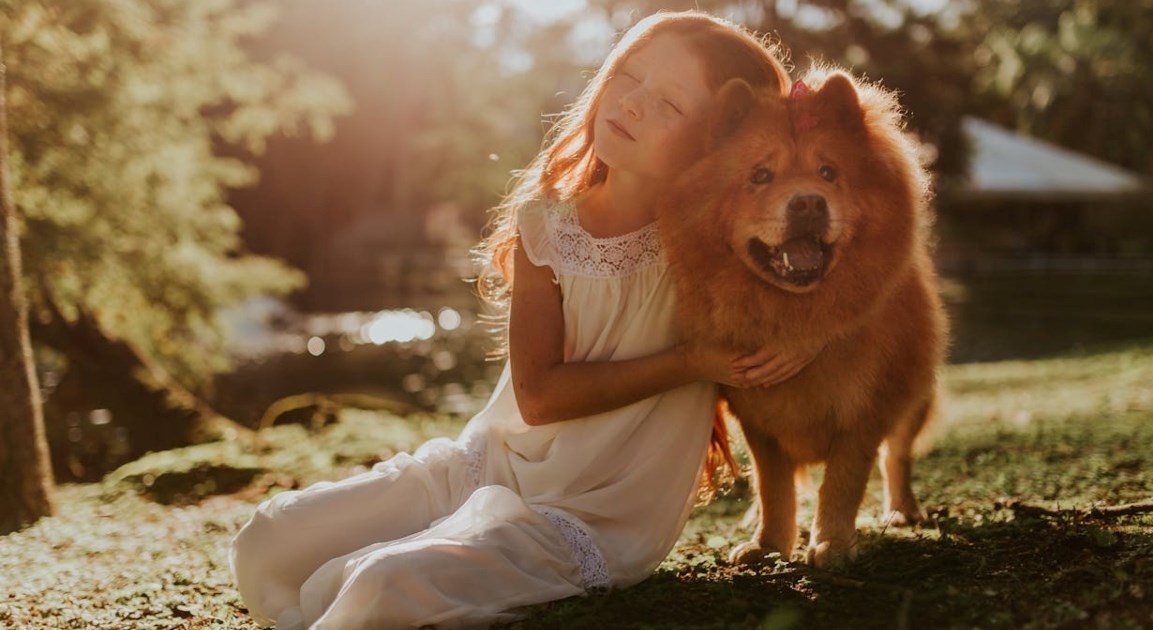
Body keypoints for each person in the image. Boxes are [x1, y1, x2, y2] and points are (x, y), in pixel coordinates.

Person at [230, 11, 803, 629]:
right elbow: (540, 398)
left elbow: (826, 289)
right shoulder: (547, 227)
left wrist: (800, 344)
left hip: (593, 514)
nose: (633, 104)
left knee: (379, 586)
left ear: (718, 139)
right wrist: (690, 364)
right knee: (268, 540)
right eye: (629, 77)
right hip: (491, 463)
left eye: (669, 103)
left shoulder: (719, 247)